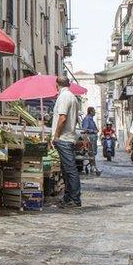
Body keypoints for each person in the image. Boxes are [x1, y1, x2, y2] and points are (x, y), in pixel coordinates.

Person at [51, 76, 82, 208]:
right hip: (68, 137)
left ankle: (75, 199)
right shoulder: (72, 97)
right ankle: (68, 197)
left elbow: (62, 118)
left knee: (70, 170)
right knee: (66, 169)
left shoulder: (64, 97)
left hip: (64, 138)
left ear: (57, 84)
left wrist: (56, 135)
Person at [81, 106, 100, 176]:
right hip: (90, 137)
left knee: (93, 153)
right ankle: (93, 167)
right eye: (94, 111)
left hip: (93, 137)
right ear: (91, 111)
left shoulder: (91, 119)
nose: (95, 112)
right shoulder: (87, 119)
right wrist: (93, 131)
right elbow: (85, 129)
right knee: (91, 153)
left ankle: (93, 167)